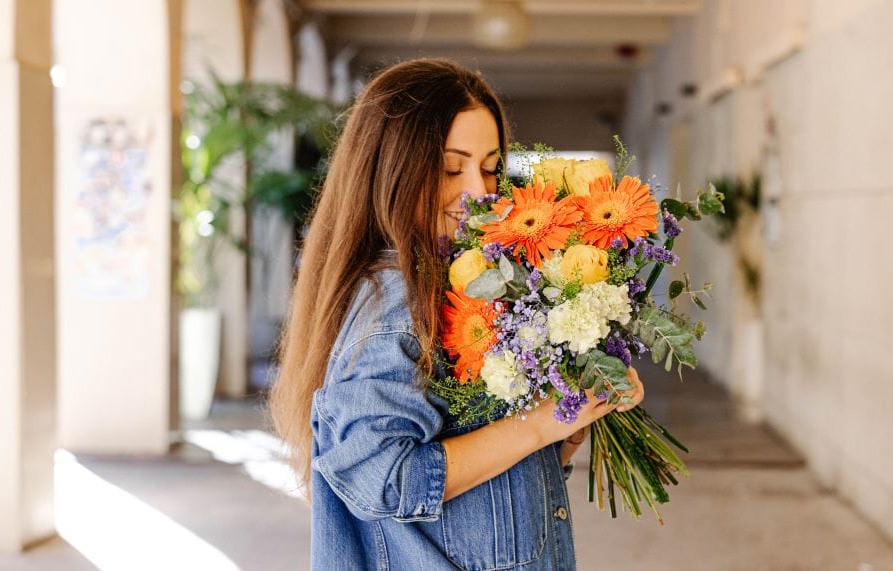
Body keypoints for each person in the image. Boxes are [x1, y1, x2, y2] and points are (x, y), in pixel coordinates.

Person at [270, 58, 645, 570]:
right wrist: (539, 424)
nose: (479, 192)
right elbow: (380, 478)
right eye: (451, 168)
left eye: (491, 167)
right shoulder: (396, 298)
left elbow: (484, 489)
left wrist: (568, 423)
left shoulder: (453, 283)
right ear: (392, 170)